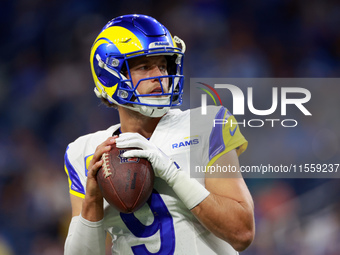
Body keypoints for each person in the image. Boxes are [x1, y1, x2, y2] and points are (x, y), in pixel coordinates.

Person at [64, 14, 255, 255]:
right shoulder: (85, 152)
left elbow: (242, 233)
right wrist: (91, 200)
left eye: (163, 65)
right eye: (144, 66)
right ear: (110, 73)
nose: (160, 76)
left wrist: (171, 172)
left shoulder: (207, 124)